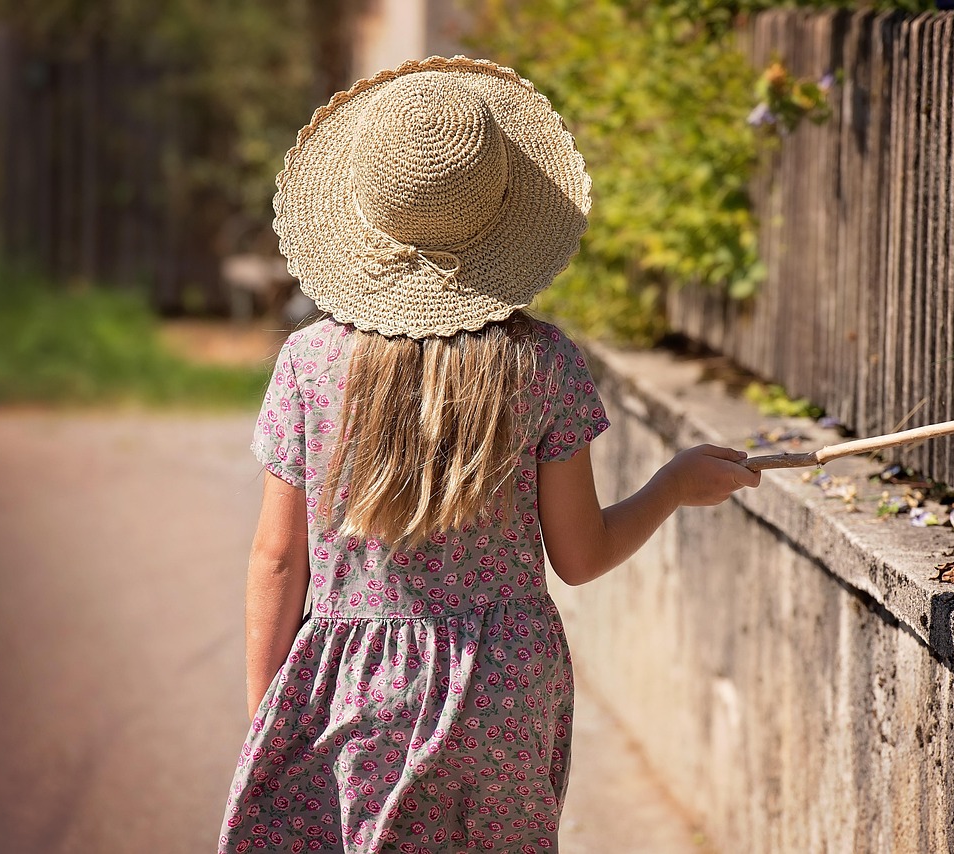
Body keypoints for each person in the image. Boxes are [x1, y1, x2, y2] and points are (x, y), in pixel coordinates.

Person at [218, 56, 760, 854]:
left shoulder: (309, 363)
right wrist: (674, 485)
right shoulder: (544, 363)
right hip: (503, 690)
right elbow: (580, 555)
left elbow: (276, 559)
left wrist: (270, 713)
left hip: (352, 686)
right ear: (504, 215)